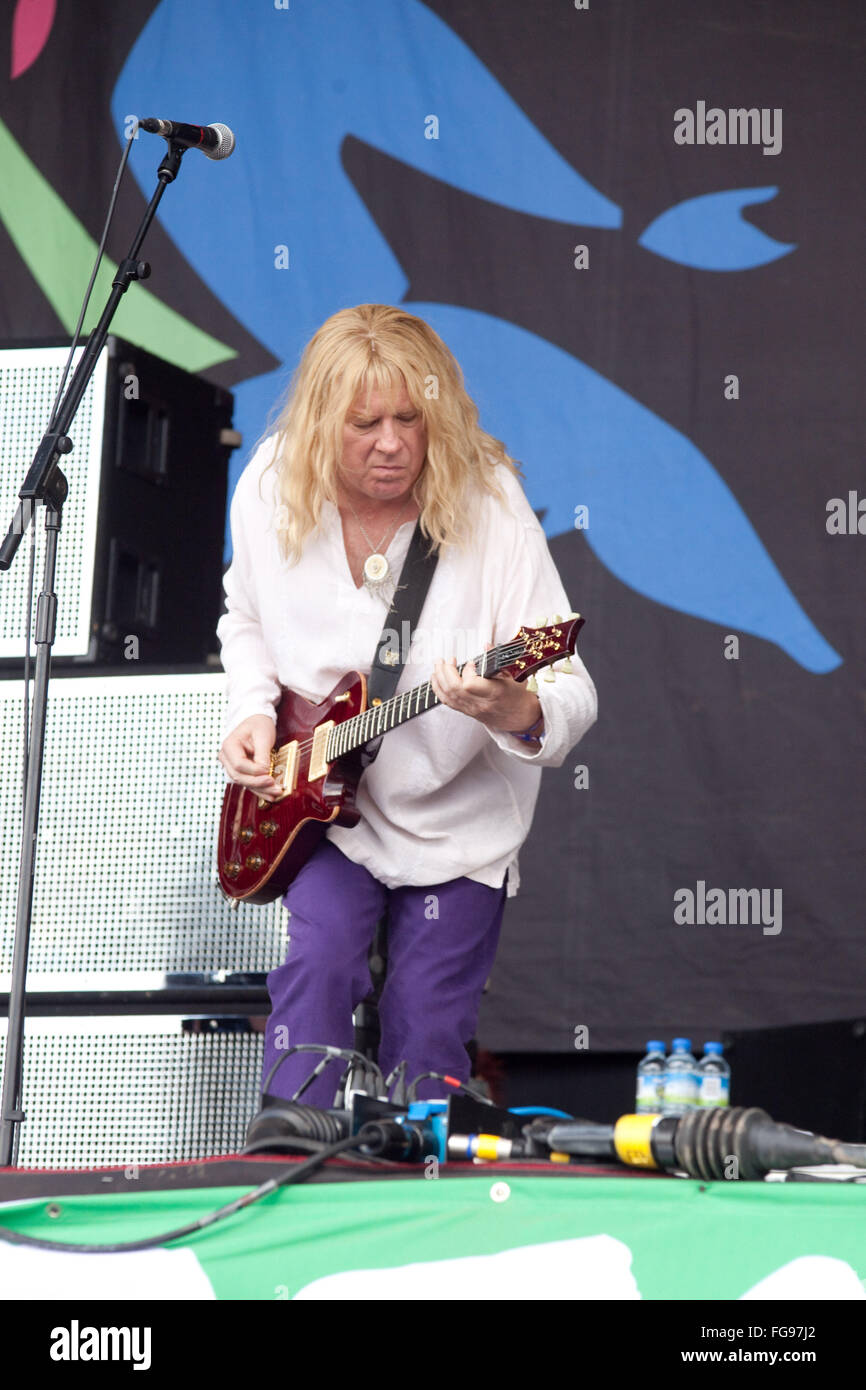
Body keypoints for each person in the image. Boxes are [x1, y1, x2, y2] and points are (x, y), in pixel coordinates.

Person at [217, 304, 597, 1106]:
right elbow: (243, 613)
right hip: (318, 809)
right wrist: (251, 710)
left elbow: (571, 692)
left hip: (455, 822)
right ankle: (291, 1157)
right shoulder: (269, 486)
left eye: (409, 420)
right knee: (316, 966)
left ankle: (415, 1198)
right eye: (363, 424)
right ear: (321, 423)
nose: (390, 443)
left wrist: (512, 709)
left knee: (427, 1038)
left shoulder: (489, 506)